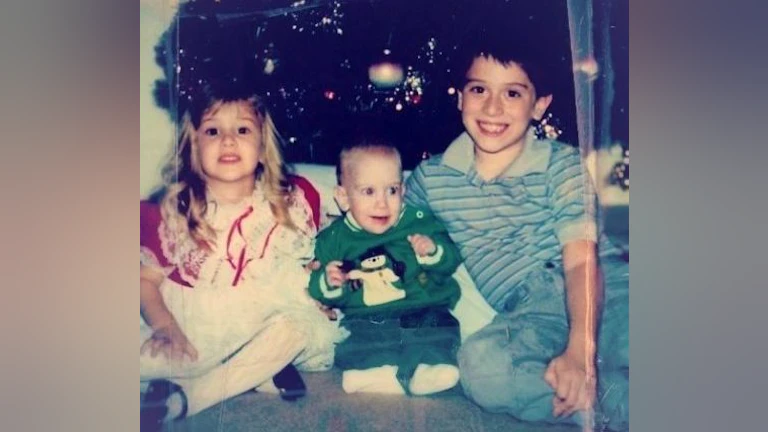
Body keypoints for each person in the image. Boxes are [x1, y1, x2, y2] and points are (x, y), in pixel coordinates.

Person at [404, 33, 629, 430]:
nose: (492, 108)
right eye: (479, 89)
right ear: (460, 97)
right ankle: (610, 405)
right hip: (526, 309)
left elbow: (580, 258)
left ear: (539, 106)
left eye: (512, 93)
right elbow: (387, 228)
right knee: (482, 367)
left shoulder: (560, 164)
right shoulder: (431, 179)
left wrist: (580, 350)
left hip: (601, 284)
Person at [140, 80, 346, 429]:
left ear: (263, 144)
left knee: (298, 327)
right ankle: (251, 374)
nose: (228, 140)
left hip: (269, 320)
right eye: (212, 131)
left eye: (242, 129)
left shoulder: (294, 200)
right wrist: (165, 327)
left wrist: (323, 282)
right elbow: (145, 281)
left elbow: (331, 240)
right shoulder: (176, 210)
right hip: (194, 327)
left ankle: (191, 397)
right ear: (193, 145)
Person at [307, 137, 463, 396]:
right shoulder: (333, 239)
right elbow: (315, 286)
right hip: (367, 317)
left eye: (391, 190)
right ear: (343, 197)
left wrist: (432, 251)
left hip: (423, 307)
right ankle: (382, 374)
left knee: (440, 329)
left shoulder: (418, 222)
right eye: (368, 191)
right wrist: (328, 281)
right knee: (355, 341)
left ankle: (426, 369)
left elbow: (451, 259)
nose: (382, 202)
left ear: (402, 190)